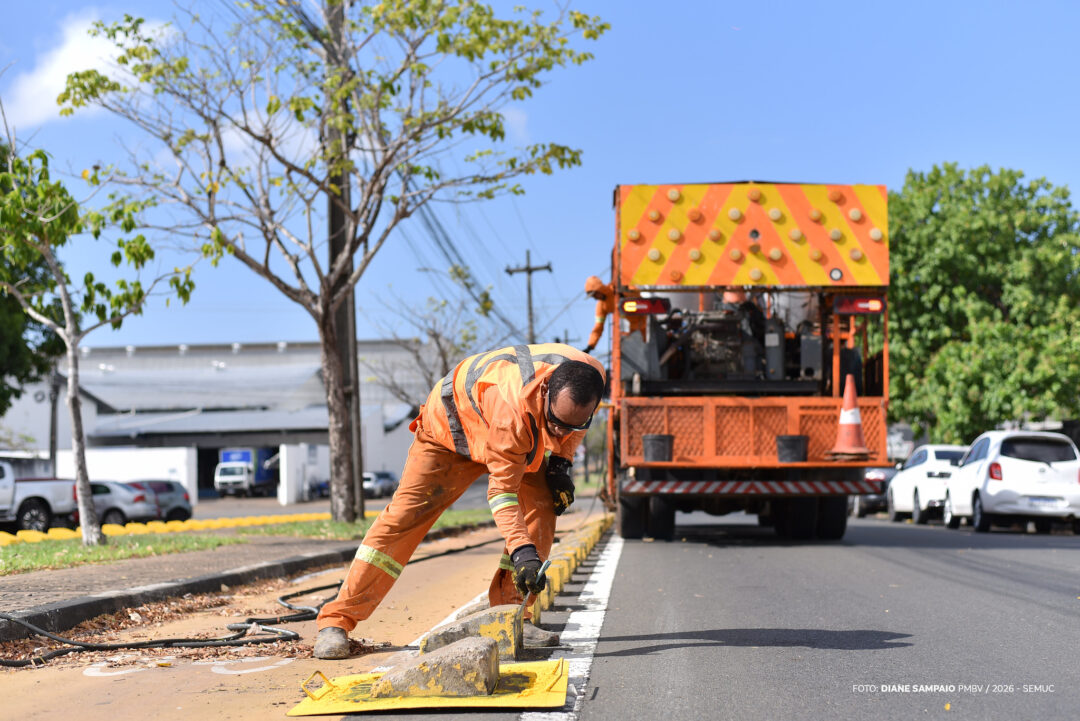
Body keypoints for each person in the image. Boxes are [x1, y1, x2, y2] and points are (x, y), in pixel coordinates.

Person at [313, 343, 606, 659]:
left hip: (515, 430)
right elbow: (502, 492)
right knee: (403, 519)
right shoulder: (511, 408)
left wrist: (561, 462)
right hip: (451, 434)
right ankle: (336, 621)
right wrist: (523, 551)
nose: (561, 431)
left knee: (542, 505)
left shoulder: (590, 378)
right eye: (556, 421)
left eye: (574, 425)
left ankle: (511, 617)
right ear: (546, 388)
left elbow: (568, 426)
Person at [583, 275, 646, 353]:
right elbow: (598, 327)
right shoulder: (601, 306)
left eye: (594, 294)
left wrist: (625, 294)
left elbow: (637, 293)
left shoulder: (616, 288)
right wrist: (590, 346)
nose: (595, 298)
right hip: (634, 329)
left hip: (646, 321)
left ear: (599, 289)